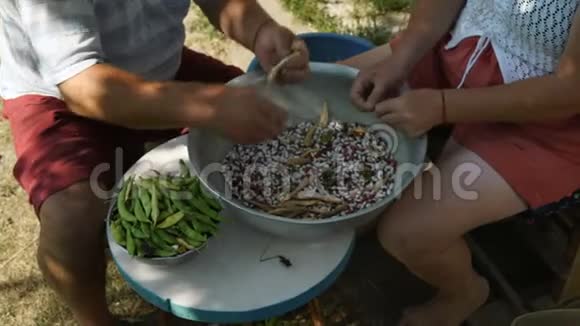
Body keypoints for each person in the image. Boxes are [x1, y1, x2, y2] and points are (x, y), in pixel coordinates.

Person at [0, 0, 308, 325]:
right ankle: (95, 319)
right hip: (57, 89)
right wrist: (207, 106)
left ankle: (198, 297)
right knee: (70, 213)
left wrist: (261, 30)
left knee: (267, 120)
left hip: (153, 65)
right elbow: (81, 86)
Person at [341, 1, 580, 325]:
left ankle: (464, 293)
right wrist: (401, 59)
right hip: (464, 50)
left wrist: (441, 107)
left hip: (548, 123)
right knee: (332, 98)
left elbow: (569, 91)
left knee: (406, 233)